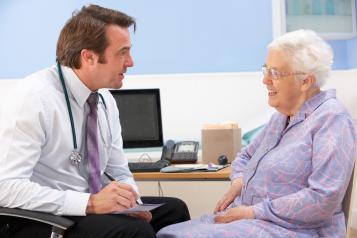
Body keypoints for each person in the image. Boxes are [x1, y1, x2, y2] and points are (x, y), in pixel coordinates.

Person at [0, 5, 189, 238]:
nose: (131, 62)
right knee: (133, 232)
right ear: (88, 57)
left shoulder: (105, 100)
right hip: (39, 218)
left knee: (174, 211)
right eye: (122, 52)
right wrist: (89, 203)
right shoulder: (33, 98)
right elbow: (5, 188)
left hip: (88, 207)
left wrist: (133, 202)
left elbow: (119, 172)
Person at [157, 29, 357, 237]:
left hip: (295, 229)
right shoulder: (281, 118)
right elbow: (245, 156)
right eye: (266, 70)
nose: (265, 80)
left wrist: (253, 211)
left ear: (306, 81)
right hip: (253, 221)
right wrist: (238, 182)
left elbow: (323, 198)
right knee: (166, 232)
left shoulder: (332, 119)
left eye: (276, 73)